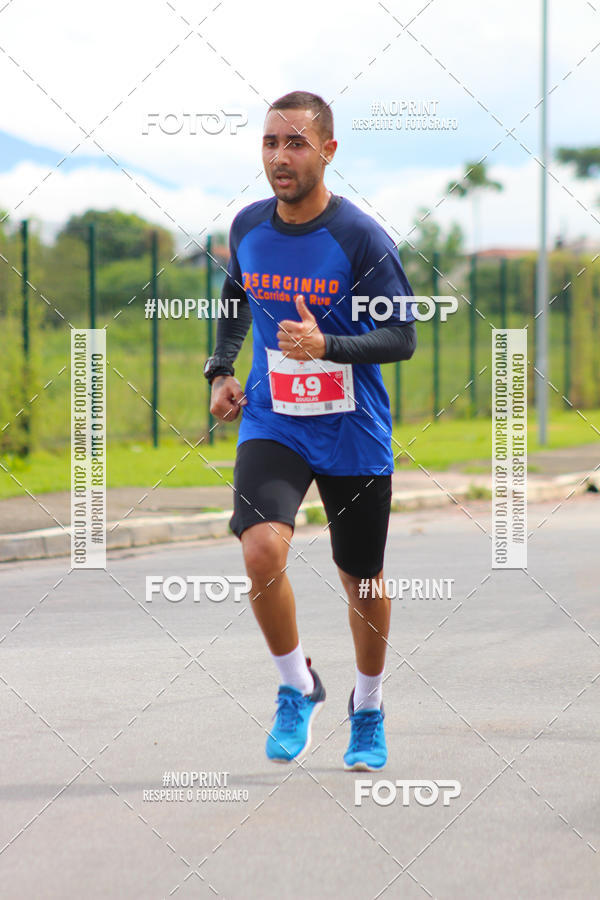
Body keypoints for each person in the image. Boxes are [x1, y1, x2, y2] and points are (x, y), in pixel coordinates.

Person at [204, 90, 416, 771]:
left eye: (295, 143)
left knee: (363, 580)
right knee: (261, 550)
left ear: (328, 151)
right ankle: (298, 685)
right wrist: (221, 368)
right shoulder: (247, 226)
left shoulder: (361, 238)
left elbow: (402, 336)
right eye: (270, 142)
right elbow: (237, 294)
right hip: (274, 420)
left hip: (352, 430)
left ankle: (369, 705)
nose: (280, 156)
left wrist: (328, 345)